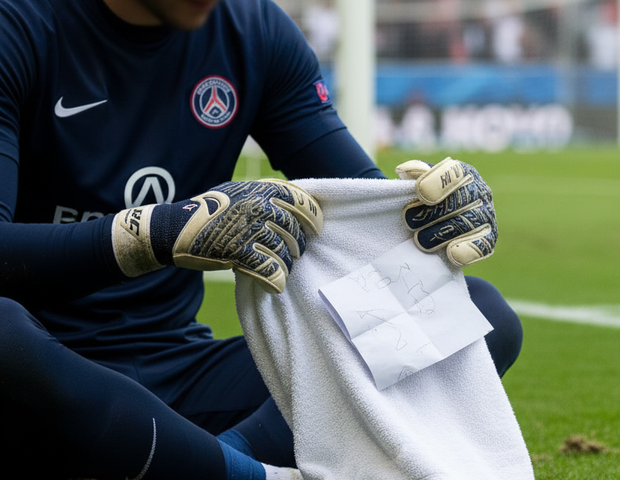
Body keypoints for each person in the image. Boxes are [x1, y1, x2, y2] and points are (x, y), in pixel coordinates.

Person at [0, 0, 524, 478]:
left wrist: (428, 213)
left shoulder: (255, 30)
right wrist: (154, 233)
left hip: (182, 368)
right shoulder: (18, 24)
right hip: (36, 368)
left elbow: (366, 212)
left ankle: (221, 463)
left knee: (475, 312)